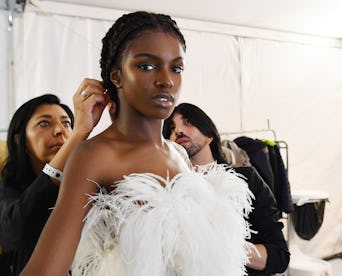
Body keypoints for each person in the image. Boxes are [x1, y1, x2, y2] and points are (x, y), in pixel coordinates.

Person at [21, 11, 252, 276]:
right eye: (147, 66)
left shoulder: (177, 152)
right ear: (116, 75)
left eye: (176, 68)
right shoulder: (95, 155)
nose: (166, 81)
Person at [162, 102, 290, 276]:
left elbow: (279, 256)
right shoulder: (166, 189)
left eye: (188, 122)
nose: (178, 131)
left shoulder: (246, 179)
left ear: (209, 135)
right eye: (172, 128)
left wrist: (222, 245)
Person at [0, 92, 108, 275]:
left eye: (66, 123)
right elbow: (15, 231)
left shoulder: (93, 183)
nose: (60, 130)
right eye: (44, 123)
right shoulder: (10, 191)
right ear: (20, 139)